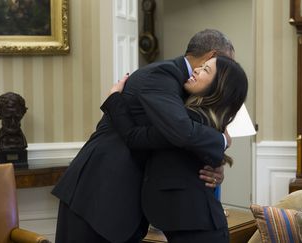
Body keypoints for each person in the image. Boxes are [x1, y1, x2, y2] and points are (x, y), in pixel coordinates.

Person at [52, 29, 235, 243]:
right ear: (211, 57)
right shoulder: (161, 75)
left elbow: (168, 140)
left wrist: (214, 165)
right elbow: (181, 131)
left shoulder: (189, 89)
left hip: (125, 204)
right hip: (96, 195)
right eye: (226, 65)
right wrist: (222, 141)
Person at [103, 56, 248, 243]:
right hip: (196, 227)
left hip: (198, 231)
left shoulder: (190, 120)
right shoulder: (206, 121)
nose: (196, 69)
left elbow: (135, 137)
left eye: (206, 70)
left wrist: (114, 98)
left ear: (219, 87)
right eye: (201, 66)